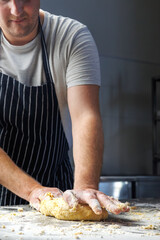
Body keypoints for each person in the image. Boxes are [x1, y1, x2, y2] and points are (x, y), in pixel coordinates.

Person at [0, 0, 129, 215]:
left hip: (59, 194)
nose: (17, 9)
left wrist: (85, 187)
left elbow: (85, 116)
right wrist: (32, 191)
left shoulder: (71, 36)